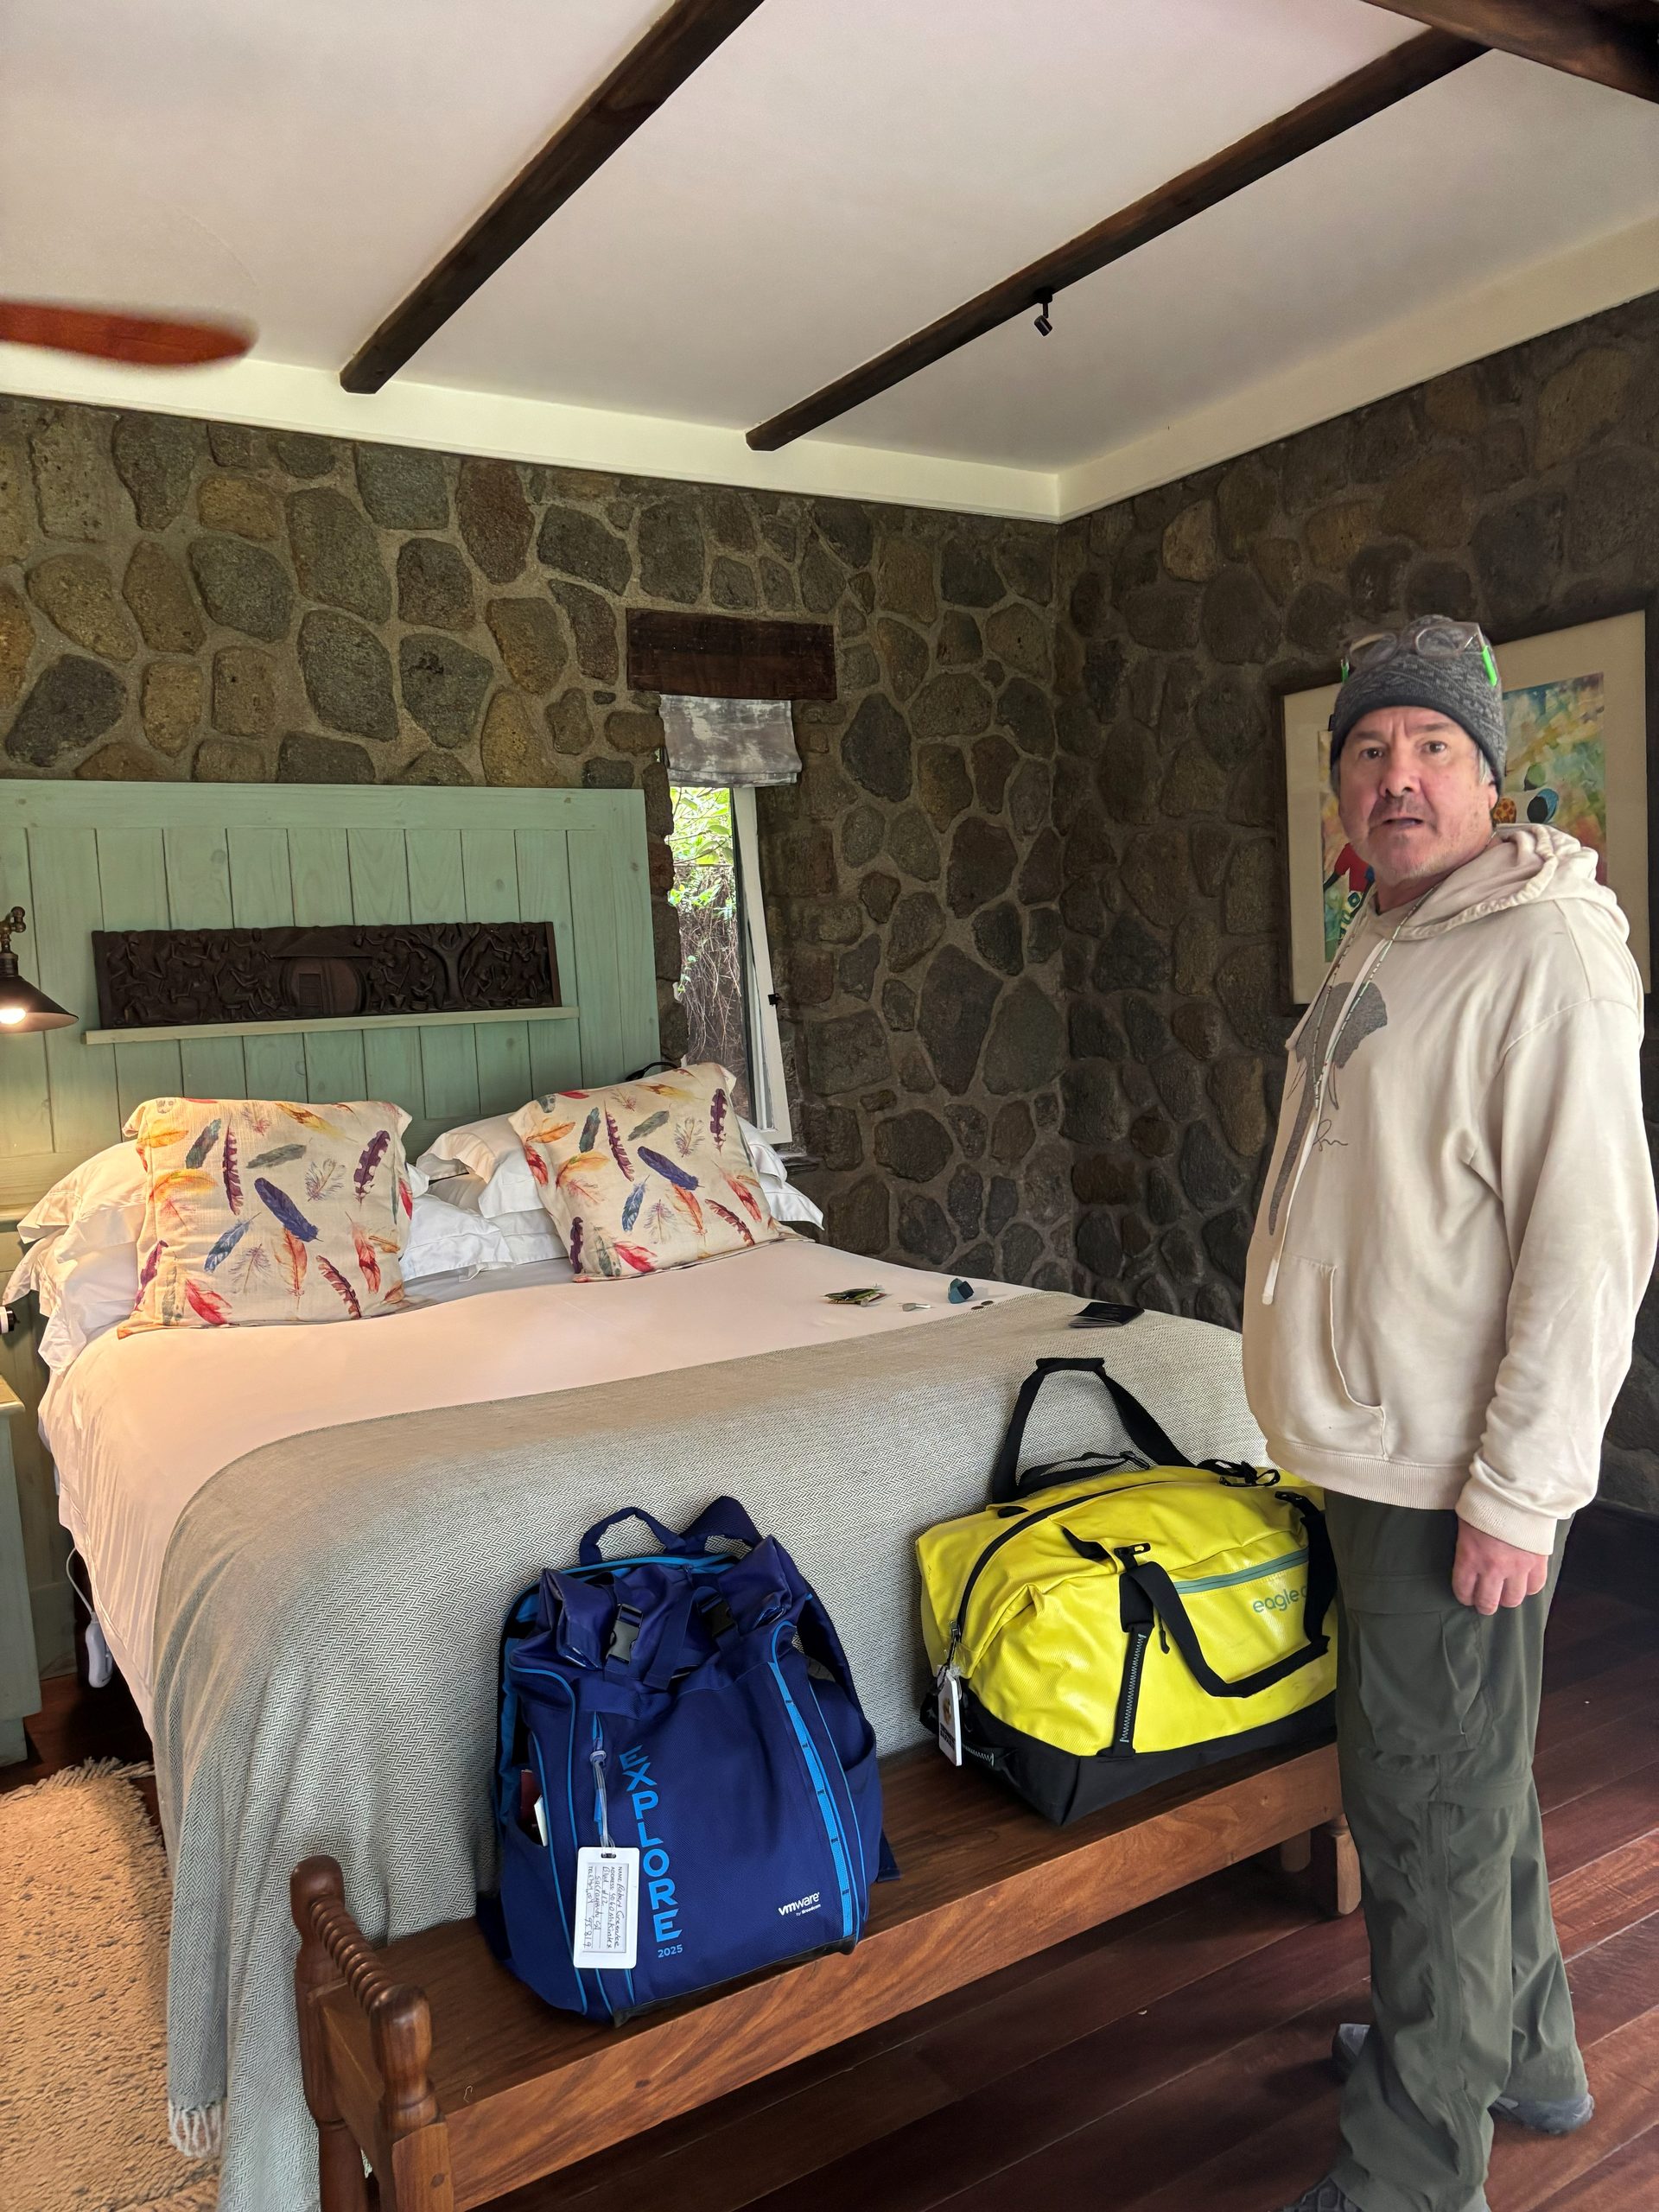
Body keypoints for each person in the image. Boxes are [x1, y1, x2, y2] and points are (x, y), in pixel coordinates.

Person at [1241, 616, 1656, 2212]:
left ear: (1491, 774)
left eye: (1430, 749)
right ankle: (1528, 2055)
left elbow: (1592, 1247)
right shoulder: (1394, 931)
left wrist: (1521, 1492)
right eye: (1368, 750)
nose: (1395, 776)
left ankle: (1417, 2168)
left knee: (1421, 1817)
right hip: (1377, 1451)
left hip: (1445, 1477)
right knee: (1468, 1784)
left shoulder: (1544, 954)